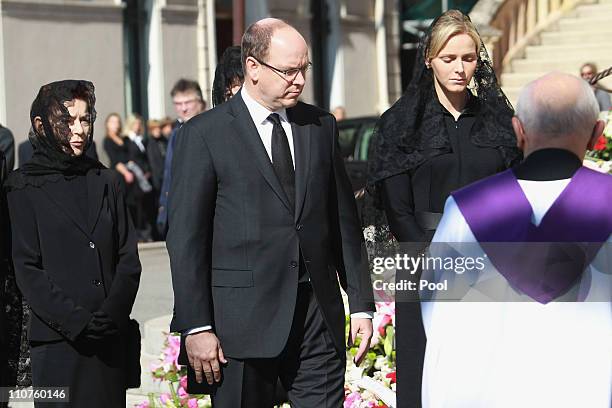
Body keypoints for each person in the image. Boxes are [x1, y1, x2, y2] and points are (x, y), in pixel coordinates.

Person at [167, 18, 374, 407]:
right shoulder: (204, 135)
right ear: (253, 67)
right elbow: (186, 239)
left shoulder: (320, 126)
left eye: (304, 69)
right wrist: (197, 326)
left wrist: (360, 303)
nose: (299, 79)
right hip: (240, 329)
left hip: (316, 320)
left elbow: (343, 221)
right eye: (288, 70)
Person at [421, 72, 611, 407]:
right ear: (598, 134)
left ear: (518, 130)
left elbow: (439, 316)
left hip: (492, 392)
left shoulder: (467, 211)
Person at [366, 10, 521, 407]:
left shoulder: (499, 121)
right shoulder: (400, 124)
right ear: (429, 59)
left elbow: (514, 191)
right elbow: (397, 208)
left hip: (493, 263)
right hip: (422, 263)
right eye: (449, 58)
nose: (459, 68)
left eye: (468, 58)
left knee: (489, 373)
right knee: (425, 376)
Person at [5, 80, 142, 407]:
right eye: (67, 121)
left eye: (85, 119)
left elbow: (128, 258)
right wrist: (77, 322)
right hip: (58, 345)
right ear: (42, 125)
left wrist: (111, 314)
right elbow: (27, 268)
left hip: (108, 341)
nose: (79, 129)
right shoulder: (22, 187)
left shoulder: (106, 180)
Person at [156, 79, 206, 238]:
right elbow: (168, 174)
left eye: (188, 102)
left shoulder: (212, 128)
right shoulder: (175, 133)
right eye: (178, 104)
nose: (183, 108)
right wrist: (163, 209)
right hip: (179, 213)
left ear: (200, 102)